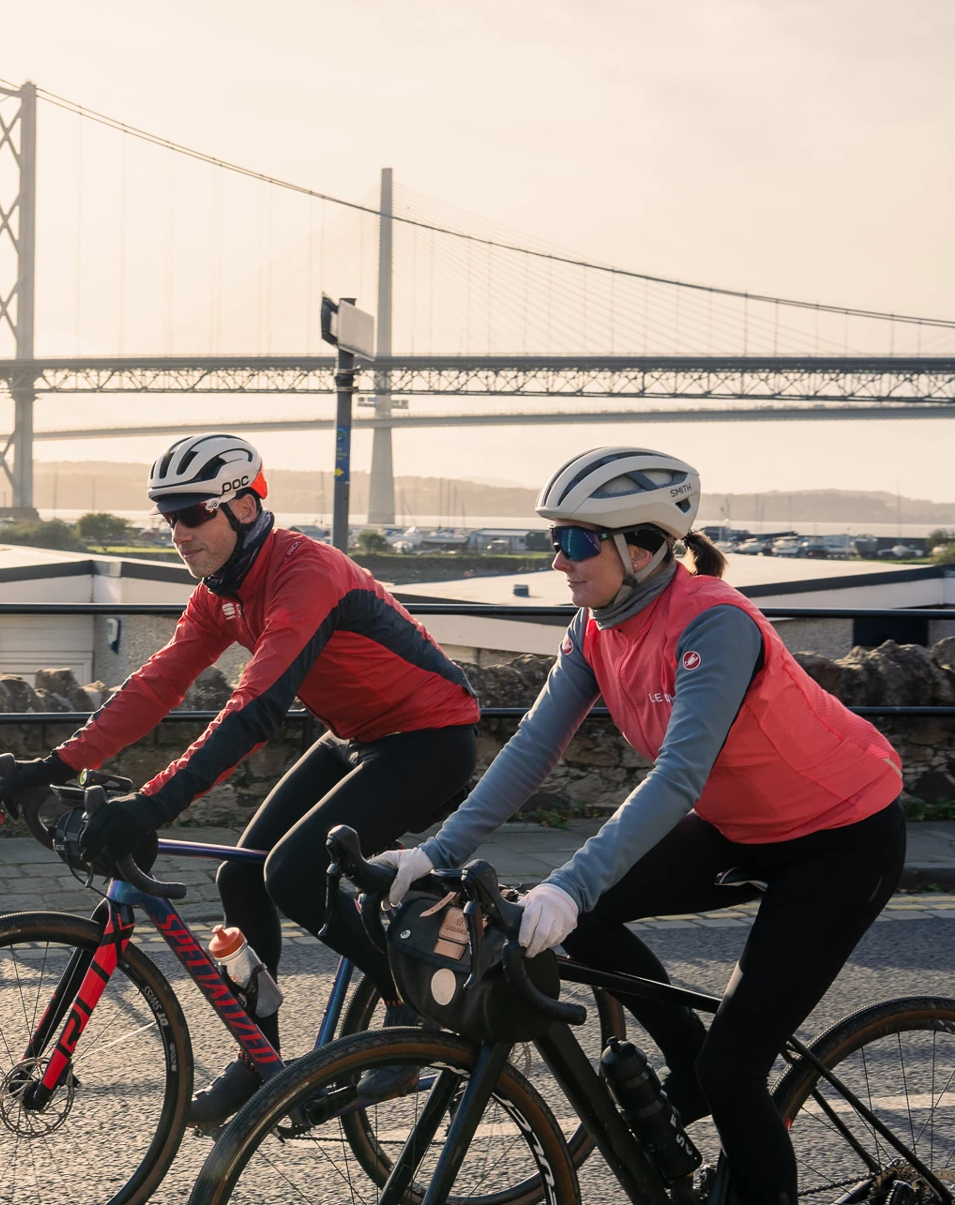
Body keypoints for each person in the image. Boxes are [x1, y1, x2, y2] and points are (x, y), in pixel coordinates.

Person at [378, 446, 905, 1205]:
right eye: (554, 538)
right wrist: (437, 852)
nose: (560, 558)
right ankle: (689, 1073)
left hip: (841, 836)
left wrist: (571, 882)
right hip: (743, 825)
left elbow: (678, 777)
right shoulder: (596, 626)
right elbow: (532, 749)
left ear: (647, 545)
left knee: (737, 1066)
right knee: (576, 920)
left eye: (579, 540)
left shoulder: (716, 624)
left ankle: (717, 1089)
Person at [0, 432, 482, 1127]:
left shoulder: (306, 574)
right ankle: (262, 1063)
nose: (178, 532)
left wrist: (152, 805)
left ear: (246, 507)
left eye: (193, 514)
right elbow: (155, 686)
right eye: (168, 517)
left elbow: (254, 713)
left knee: (292, 874)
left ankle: (408, 1011)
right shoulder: (222, 591)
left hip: (431, 741)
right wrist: (58, 763)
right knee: (240, 878)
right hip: (358, 738)